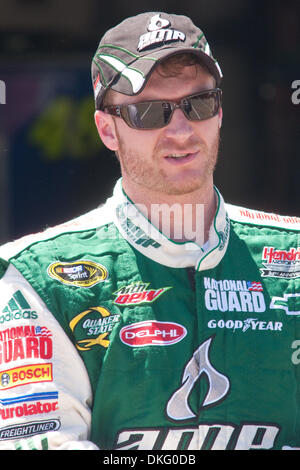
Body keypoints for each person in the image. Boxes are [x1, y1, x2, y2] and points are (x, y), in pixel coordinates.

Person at [0, 11, 299, 451]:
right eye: (149, 113)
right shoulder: (36, 276)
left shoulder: (291, 257)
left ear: (219, 112)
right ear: (108, 130)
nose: (180, 131)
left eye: (198, 104)